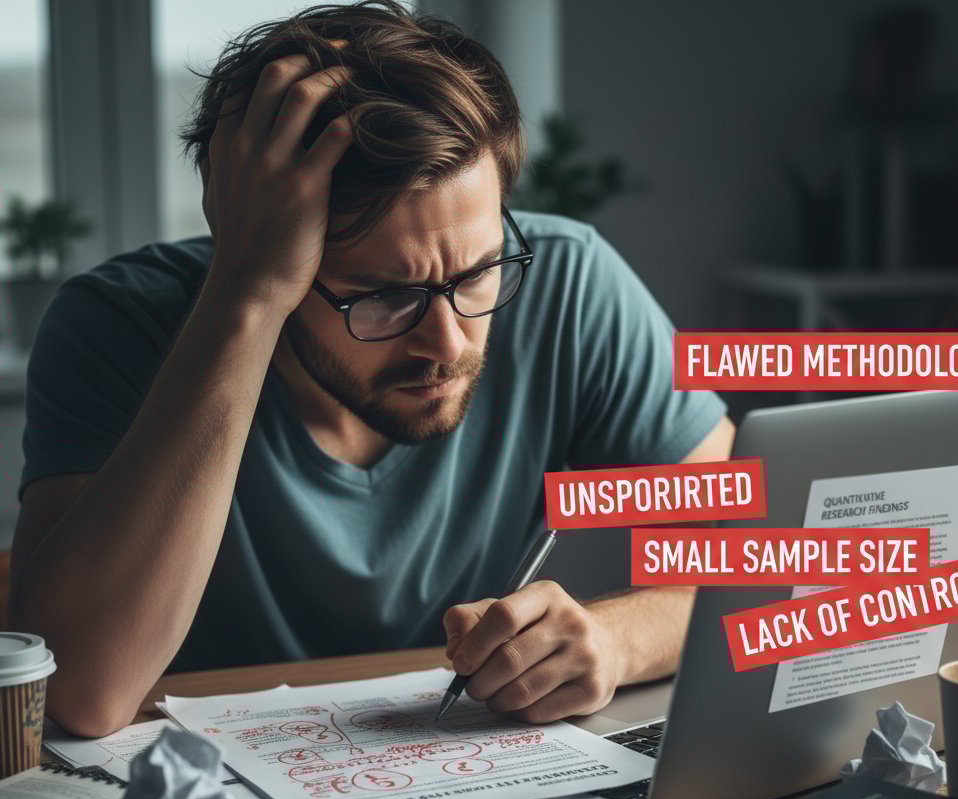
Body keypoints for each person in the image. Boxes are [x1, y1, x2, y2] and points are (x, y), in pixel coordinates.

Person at [9, 1, 733, 737]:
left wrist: (614, 639)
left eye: (479, 272)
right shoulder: (116, 327)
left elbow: (757, 559)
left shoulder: (571, 283)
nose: (448, 342)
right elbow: (79, 694)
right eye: (385, 296)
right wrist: (246, 297)